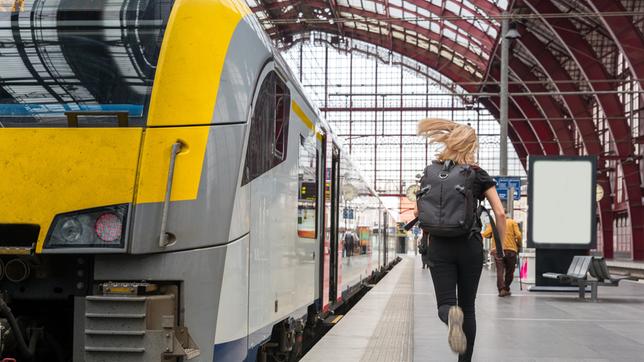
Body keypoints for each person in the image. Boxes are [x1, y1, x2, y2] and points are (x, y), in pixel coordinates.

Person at [415, 119, 506, 362]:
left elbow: (419, 212)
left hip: (439, 246)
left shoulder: (431, 172)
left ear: (449, 141)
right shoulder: (477, 174)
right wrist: (500, 248)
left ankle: (450, 316)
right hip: (470, 245)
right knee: (469, 308)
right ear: (471, 146)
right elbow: (499, 212)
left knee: (446, 305)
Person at [482, 216, 522, 297]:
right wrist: (519, 245)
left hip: (497, 249)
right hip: (511, 249)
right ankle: (506, 287)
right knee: (510, 271)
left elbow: (485, 234)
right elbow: (518, 235)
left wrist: (492, 234)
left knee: (500, 271)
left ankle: (501, 289)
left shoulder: (494, 223)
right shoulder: (512, 222)